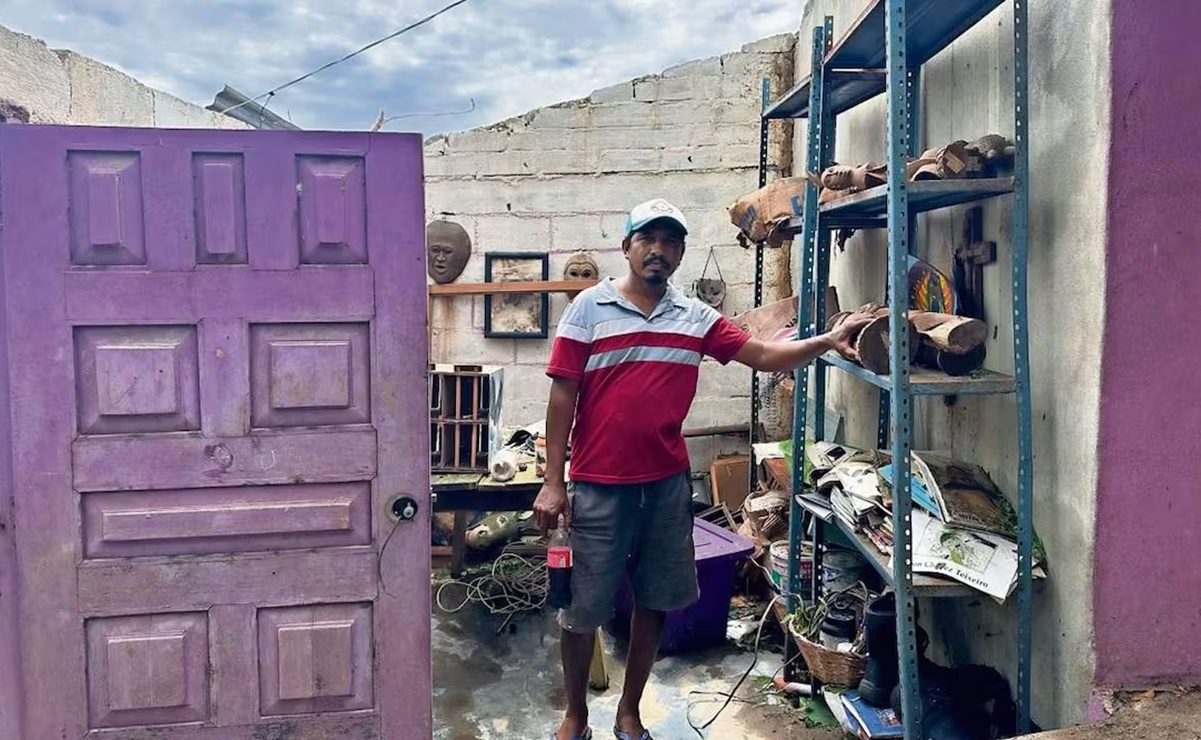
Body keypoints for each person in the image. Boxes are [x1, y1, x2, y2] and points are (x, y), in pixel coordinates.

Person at [533, 198, 873, 740]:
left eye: (671, 242)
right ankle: (575, 714)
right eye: (649, 239)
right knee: (582, 608)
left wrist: (828, 341)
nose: (659, 251)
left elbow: (761, 355)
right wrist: (554, 482)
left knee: (656, 600)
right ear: (627, 247)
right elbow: (562, 396)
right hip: (598, 485)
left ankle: (629, 711)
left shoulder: (695, 317)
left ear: (681, 254)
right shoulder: (587, 309)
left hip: (666, 487)